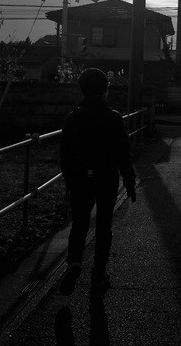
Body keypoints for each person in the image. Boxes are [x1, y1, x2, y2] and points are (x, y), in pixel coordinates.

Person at [59, 68, 136, 295]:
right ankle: (98, 274)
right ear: (104, 91)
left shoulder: (72, 118)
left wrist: (70, 179)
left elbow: (65, 156)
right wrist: (129, 182)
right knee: (103, 225)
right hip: (106, 177)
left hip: (80, 178)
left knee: (79, 223)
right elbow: (123, 154)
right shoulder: (114, 118)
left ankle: (74, 262)